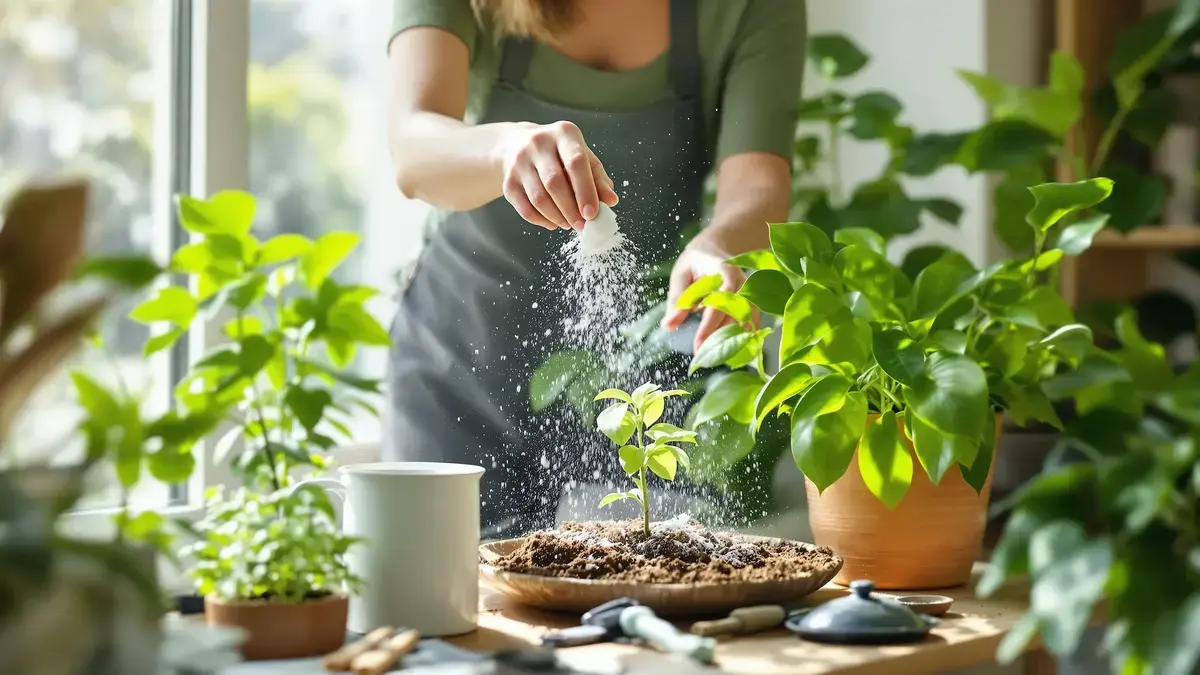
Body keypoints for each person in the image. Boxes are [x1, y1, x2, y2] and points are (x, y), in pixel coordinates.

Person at [385, 0, 807, 539]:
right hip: (460, 363)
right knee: (443, 597)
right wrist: (505, 148)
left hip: (634, 366)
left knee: (640, 587)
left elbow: (760, 183)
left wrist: (721, 243)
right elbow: (412, 150)